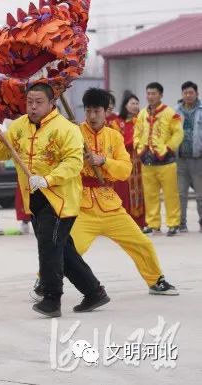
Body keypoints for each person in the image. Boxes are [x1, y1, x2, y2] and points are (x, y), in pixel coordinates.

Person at [0, 83, 109, 318]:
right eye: (29, 102)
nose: (33, 107)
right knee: (61, 249)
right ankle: (94, 292)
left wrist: (48, 179)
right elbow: (0, 153)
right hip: (33, 197)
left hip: (60, 199)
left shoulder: (66, 129)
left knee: (49, 246)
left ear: (52, 103)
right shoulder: (18, 126)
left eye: (39, 102)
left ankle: (52, 297)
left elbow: (74, 162)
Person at [70, 88, 178, 295]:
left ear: (106, 111)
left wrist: (103, 161)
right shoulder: (74, 133)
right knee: (68, 248)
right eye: (88, 110)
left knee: (141, 243)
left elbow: (125, 170)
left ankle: (156, 280)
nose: (92, 116)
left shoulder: (114, 136)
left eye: (97, 111)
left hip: (110, 204)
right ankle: (44, 281)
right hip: (82, 206)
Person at [134, 82, 183, 235]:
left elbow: (178, 133)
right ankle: (153, 224)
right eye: (148, 93)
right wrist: (139, 148)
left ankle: (173, 224)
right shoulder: (142, 114)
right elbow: (137, 133)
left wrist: (168, 148)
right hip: (147, 161)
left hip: (166, 162)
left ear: (161, 95)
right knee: (150, 195)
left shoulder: (170, 112)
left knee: (171, 194)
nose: (150, 96)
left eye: (154, 93)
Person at [110, 94, 146, 228]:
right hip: (124, 161)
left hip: (140, 162)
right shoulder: (117, 122)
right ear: (125, 105)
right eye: (132, 103)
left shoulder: (142, 120)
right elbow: (118, 142)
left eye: (137, 103)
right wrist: (134, 141)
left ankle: (141, 222)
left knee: (142, 191)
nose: (135, 106)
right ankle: (125, 222)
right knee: (124, 191)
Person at [175, 81, 202, 232]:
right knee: (181, 194)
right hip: (180, 159)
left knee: (200, 194)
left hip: (199, 158)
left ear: (197, 94)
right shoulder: (175, 111)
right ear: (182, 94)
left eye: (191, 92)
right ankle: (181, 223)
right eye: (185, 93)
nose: (188, 95)